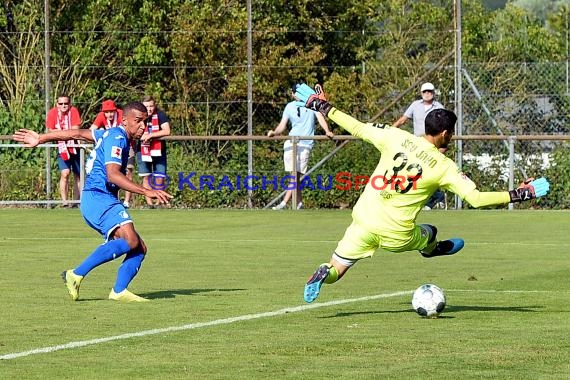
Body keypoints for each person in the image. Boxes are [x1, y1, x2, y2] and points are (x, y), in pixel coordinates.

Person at [294, 84, 550, 303]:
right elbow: (476, 199)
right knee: (430, 231)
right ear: (446, 134)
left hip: (363, 220)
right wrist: (520, 193)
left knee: (337, 269)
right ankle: (431, 249)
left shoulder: (394, 136)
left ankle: (322, 273)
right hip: (397, 233)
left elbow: (357, 127)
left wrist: (322, 106)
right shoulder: (444, 167)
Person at [13, 102, 173, 302]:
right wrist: (145, 190)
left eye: (146, 122)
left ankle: (119, 290)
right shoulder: (117, 137)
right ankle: (76, 274)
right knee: (131, 240)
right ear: (125, 120)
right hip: (98, 197)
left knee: (139, 248)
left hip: (100, 199)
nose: (143, 126)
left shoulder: (112, 134)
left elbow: (77, 134)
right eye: (138, 121)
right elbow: (113, 175)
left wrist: (42, 138)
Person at [267, 83, 334, 210]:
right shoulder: (289, 106)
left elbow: (320, 118)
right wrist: (274, 132)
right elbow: (282, 125)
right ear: (292, 94)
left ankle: (284, 203)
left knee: (296, 175)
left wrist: (327, 131)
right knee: (294, 175)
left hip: (305, 144)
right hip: (291, 142)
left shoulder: (312, 104)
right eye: (296, 92)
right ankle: (299, 203)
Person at [393, 82, 446, 210]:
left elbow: (445, 127)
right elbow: (403, 120)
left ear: (433, 93)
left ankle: (431, 200)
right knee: (416, 172)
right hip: (417, 144)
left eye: (429, 91)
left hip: (433, 144)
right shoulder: (415, 105)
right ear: (421, 93)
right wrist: (390, 130)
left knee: (428, 171)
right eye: (425, 92)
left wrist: (442, 146)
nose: (427, 94)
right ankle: (436, 196)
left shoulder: (439, 107)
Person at [90, 99, 135, 208]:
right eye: (106, 112)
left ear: (115, 110)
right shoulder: (101, 116)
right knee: (112, 173)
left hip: (127, 146)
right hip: (110, 148)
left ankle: (127, 201)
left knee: (127, 172)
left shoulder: (121, 115)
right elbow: (92, 129)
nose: (109, 114)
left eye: (111, 111)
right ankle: (114, 199)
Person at [45, 94, 82, 207]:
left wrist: (59, 132)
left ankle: (76, 201)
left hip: (74, 147)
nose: (63, 106)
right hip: (62, 148)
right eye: (61, 104)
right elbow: (50, 130)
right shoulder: (52, 113)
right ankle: (64, 202)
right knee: (65, 173)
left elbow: (76, 129)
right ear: (57, 104)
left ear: (69, 104)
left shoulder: (74, 111)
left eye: (66, 103)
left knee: (78, 175)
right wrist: (65, 133)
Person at [135, 95, 171, 208]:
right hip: (142, 150)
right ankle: (149, 205)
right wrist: (141, 136)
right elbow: (133, 130)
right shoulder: (138, 116)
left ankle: (159, 203)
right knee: (146, 177)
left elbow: (167, 131)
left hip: (159, 150)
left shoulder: (160, 115)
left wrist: (150, 135)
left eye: (151, 106)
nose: (149, 109)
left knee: (159, 177)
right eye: (147, 106)